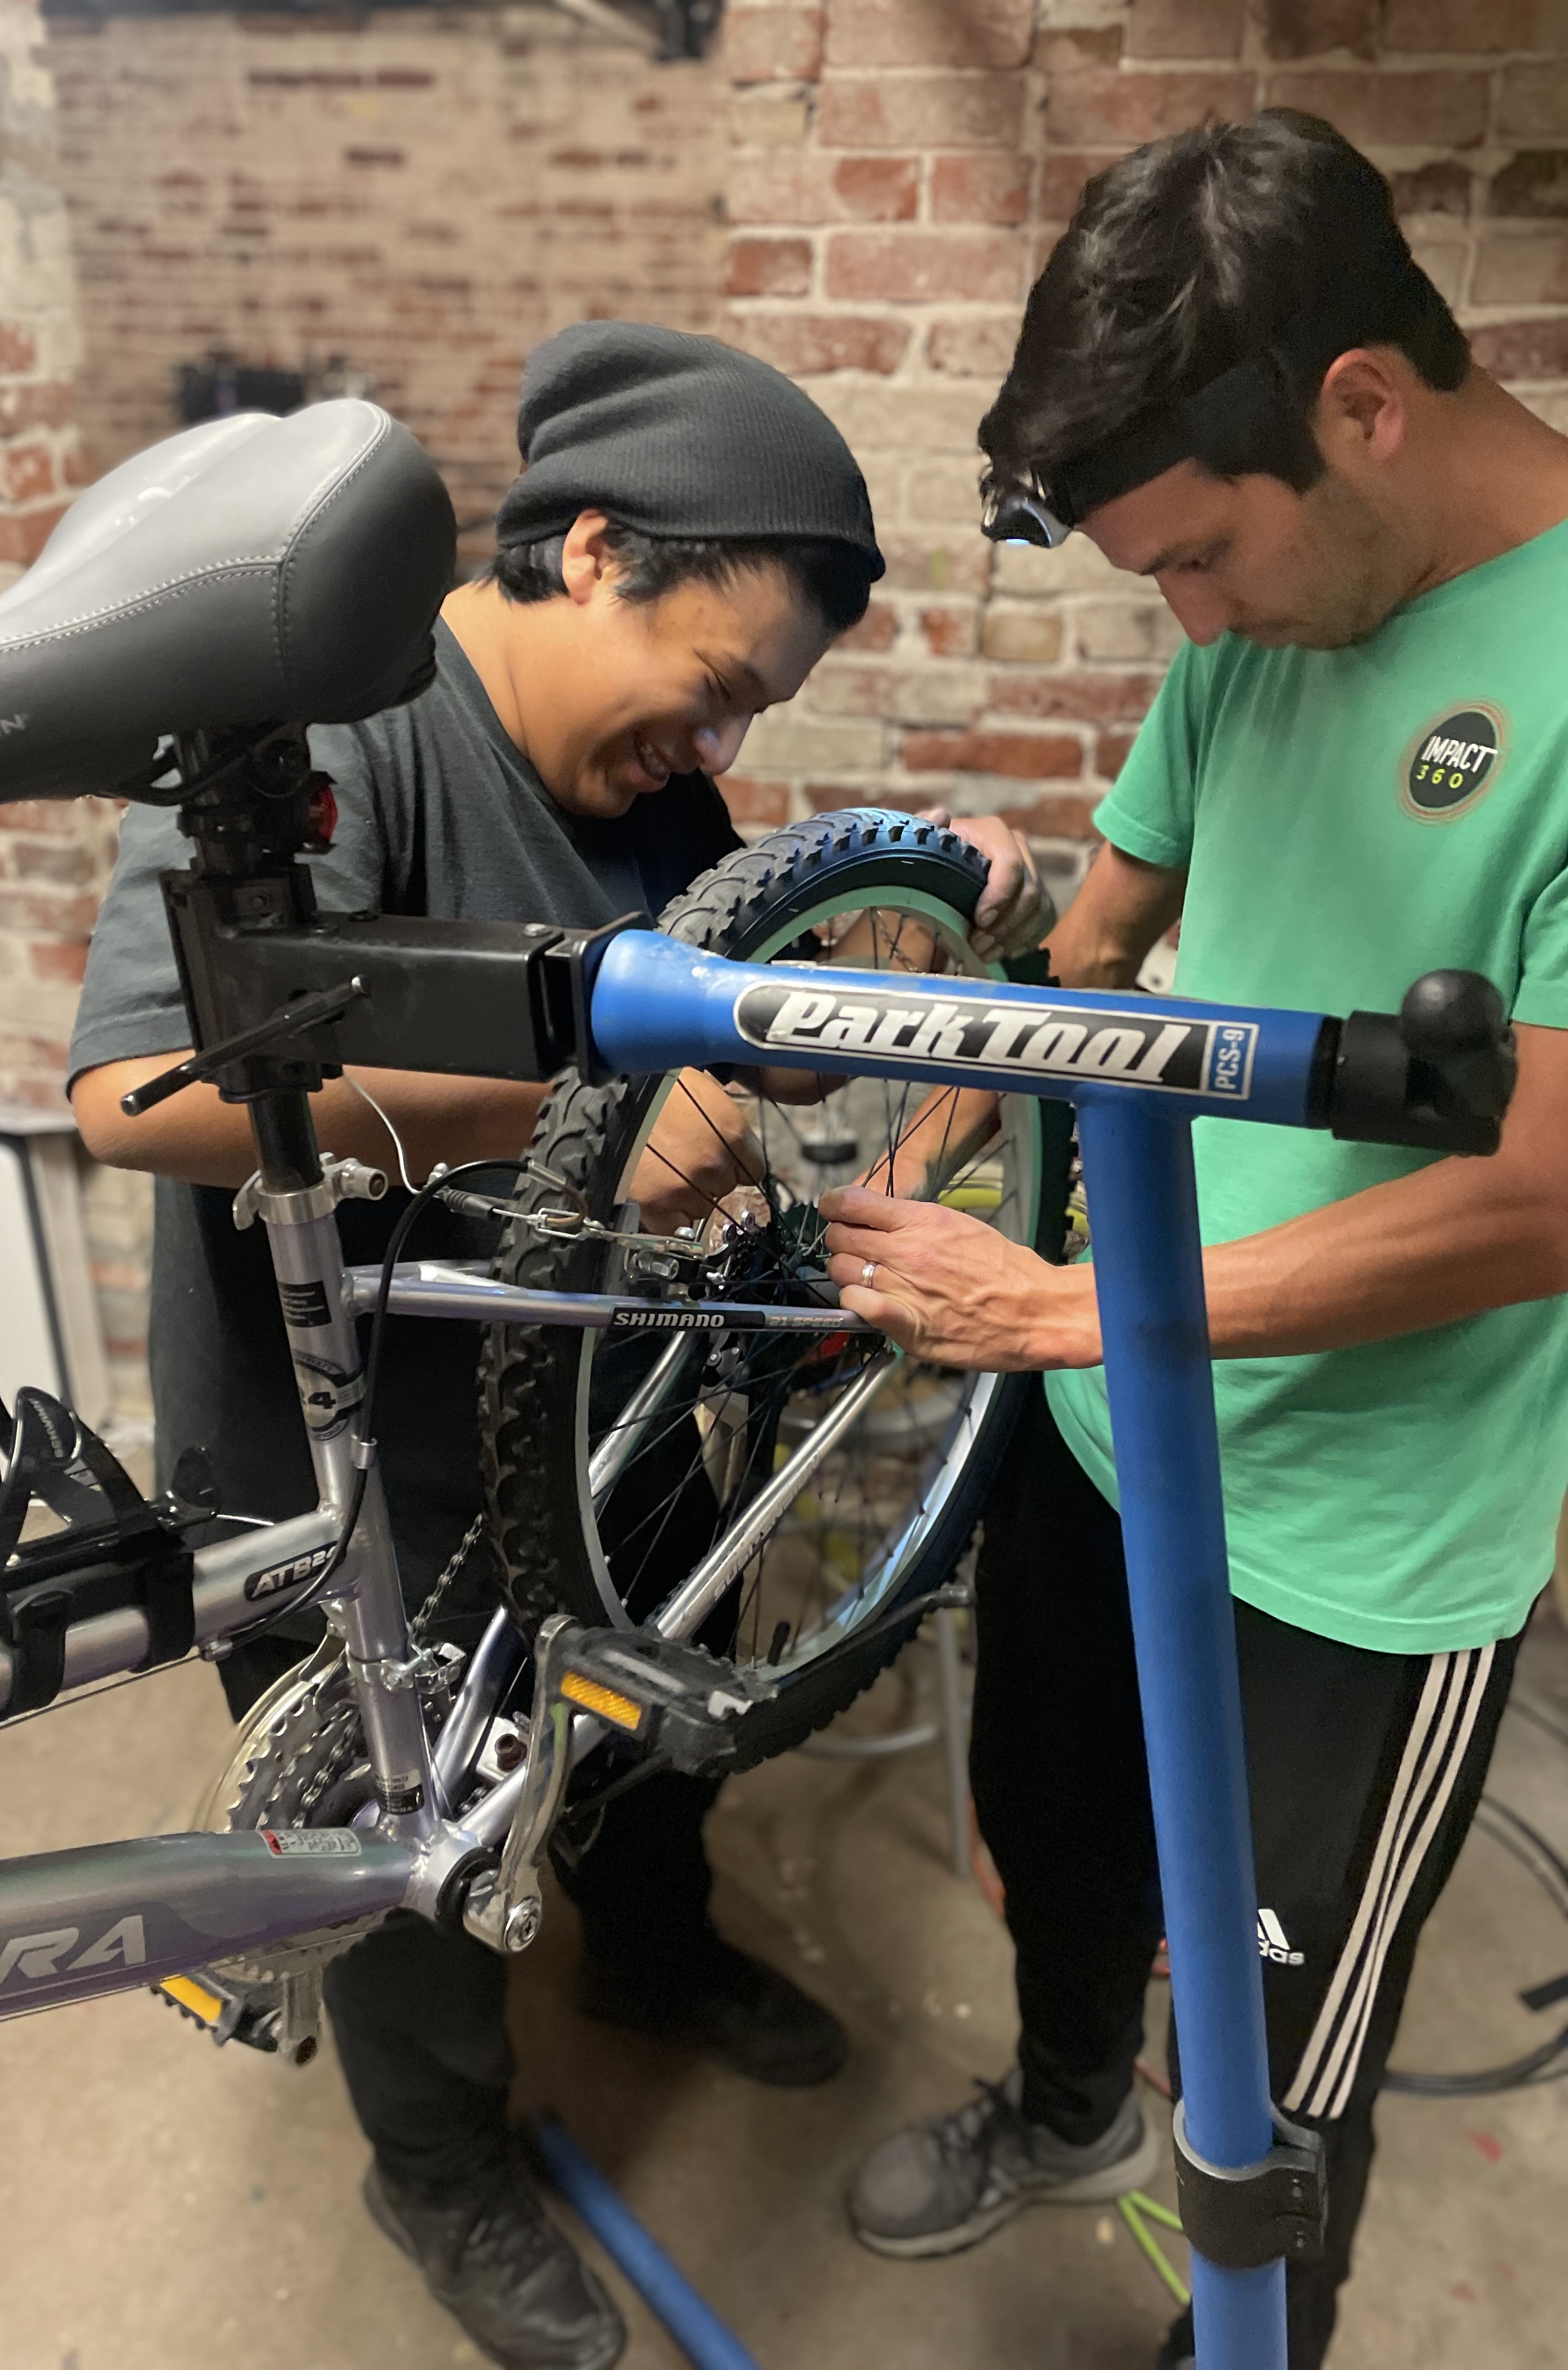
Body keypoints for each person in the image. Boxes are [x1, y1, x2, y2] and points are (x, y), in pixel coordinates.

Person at [68, 321, 1047, 2370]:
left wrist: (939, 904)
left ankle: (656, 1956)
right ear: (593, 551)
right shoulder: (331, 728)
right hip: (364, 1484)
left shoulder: (659, 805)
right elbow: (140, 1095)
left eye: (749, 721)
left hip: (614, 1425)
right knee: (405, 1862)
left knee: (648, 1732)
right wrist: (580, 1119)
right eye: (716, 693)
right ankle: (434, 2165)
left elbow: (727, 1015)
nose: (715, 751)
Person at [819, 112, 1568, 2370]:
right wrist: (965, 1115)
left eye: (1205, 560)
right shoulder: (1249, 620)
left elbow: (1541, 1190)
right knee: (1055, 1847)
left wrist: (1059, 1307)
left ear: (1363, 403)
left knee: (1264, 2116)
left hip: (1364, 1545)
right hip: (1119, 1430)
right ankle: (1058, 2112)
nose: (1197, 622)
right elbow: (1107, 933)